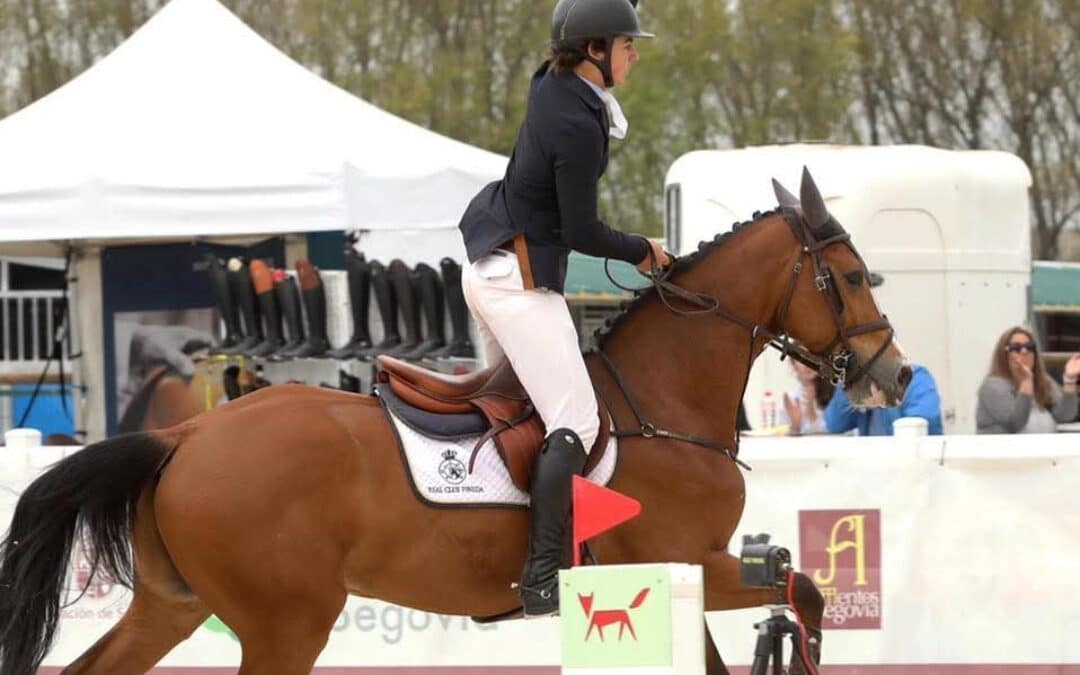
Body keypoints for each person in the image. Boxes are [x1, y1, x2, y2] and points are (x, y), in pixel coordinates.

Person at [457, 0, 667, 617]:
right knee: (577, 420)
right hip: (516, 280)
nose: (636, 53)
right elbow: (581, 230)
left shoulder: (555, 85)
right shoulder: (577, 123)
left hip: (501, 264)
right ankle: (542, 577)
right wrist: (644, 251)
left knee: (538, 409)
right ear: (595, 51)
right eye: (627, 44)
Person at [976, 326, 1079, 434]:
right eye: (1016, 347)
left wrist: (1070, 380)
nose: (1024, 351)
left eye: (1029, 347)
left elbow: (1065, 415)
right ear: (1003, 355)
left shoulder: (1043, 381)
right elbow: (1014, 423)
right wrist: (1026, 383)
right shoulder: (992, 386)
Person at [824, 364, 943, 436]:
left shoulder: (915, 377)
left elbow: (921, 426)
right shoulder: (859, 382)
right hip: (874, 472)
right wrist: (848, 382)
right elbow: (835, 424)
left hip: (916, 470)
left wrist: (885, 399)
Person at [778, 360, 834, 435]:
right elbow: (781, 438)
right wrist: (795, 426)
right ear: (794, 366)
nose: (807, 364)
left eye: (810, 357)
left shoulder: (836, 395)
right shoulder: (790, 400)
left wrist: (811, 411)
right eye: (800, 359)